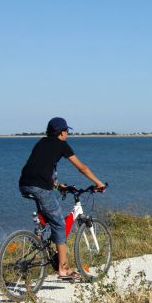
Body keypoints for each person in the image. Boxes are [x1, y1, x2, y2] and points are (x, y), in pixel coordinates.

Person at [18, 117, 106, 280]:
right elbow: (82, 167)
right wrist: (98, 183)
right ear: (61, 132)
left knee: (49, 219)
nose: (67, 134)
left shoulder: (42, 142)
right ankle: (63, 269)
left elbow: (40, 168)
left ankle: (42, 242)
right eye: (66, 131)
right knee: (59, 223)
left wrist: (58, 186)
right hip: (40, 187)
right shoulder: (61, 144)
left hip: (24, 184)